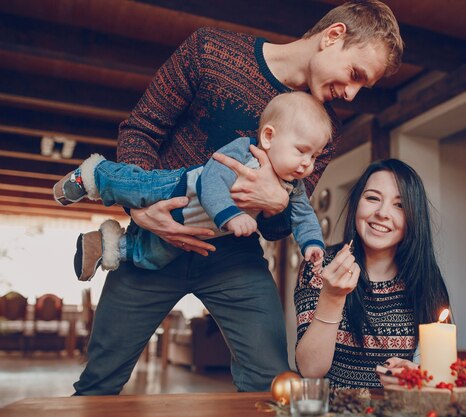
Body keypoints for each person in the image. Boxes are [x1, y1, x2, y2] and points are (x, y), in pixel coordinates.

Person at [72, 0, 403, 395]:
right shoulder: (209, 50)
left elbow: (283, 225)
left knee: (272, 384)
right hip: (154, 237)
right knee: (99, 382)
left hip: (234, 255)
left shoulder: (326, 128)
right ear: (333, 36)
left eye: (361, 87)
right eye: (354, 75)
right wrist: (143, 210)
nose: (350, 94)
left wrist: (276, 203)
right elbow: (141, 129)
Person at [53, 92, 330, 280]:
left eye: (314, 156)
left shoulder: (294, 187)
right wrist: (231, 215)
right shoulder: (245, 151)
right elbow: (211, 180)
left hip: (196, 228)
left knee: (157, 254)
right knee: (136, 186)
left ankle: (107, 247)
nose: (307, 163)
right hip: (178, 189)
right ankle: (92, 175)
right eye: (302, 150)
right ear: (269, 137)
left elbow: (303, 217)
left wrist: (312, 243)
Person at [294, 159, 451, 389]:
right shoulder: (321, 265)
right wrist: (332, 297)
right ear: (357, 203)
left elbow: (436, 370)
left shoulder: (425, 276)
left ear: (414, 217)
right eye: (373, 198)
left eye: (400, 205)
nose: (382, 213)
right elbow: (310, 369)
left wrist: (414, 372)